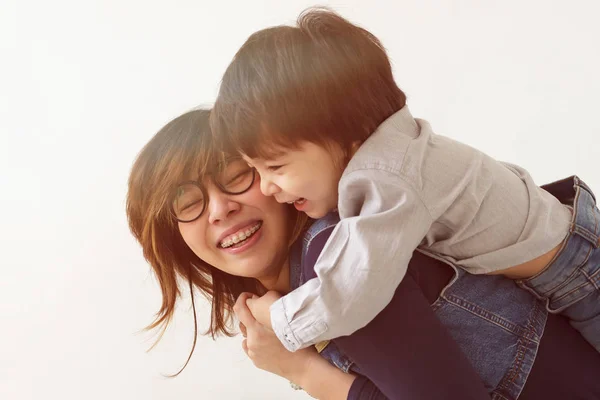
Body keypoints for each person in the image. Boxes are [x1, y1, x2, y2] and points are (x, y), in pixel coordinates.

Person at [127, 109, 600, 399]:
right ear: (174, 238)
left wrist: (300, 370)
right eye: (188, 203)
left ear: (275, 175)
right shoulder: (297, 291)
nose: (220, 208)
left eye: (235, 177)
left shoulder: (337, 259)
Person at [210, 7, 600, 354]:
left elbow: (351, 294)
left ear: (349, 135)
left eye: (276, 167)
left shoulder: (388, 179)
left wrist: (277, 315)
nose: (265, 188)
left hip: (582, 278)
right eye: (255, 170)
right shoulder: (397, 147)